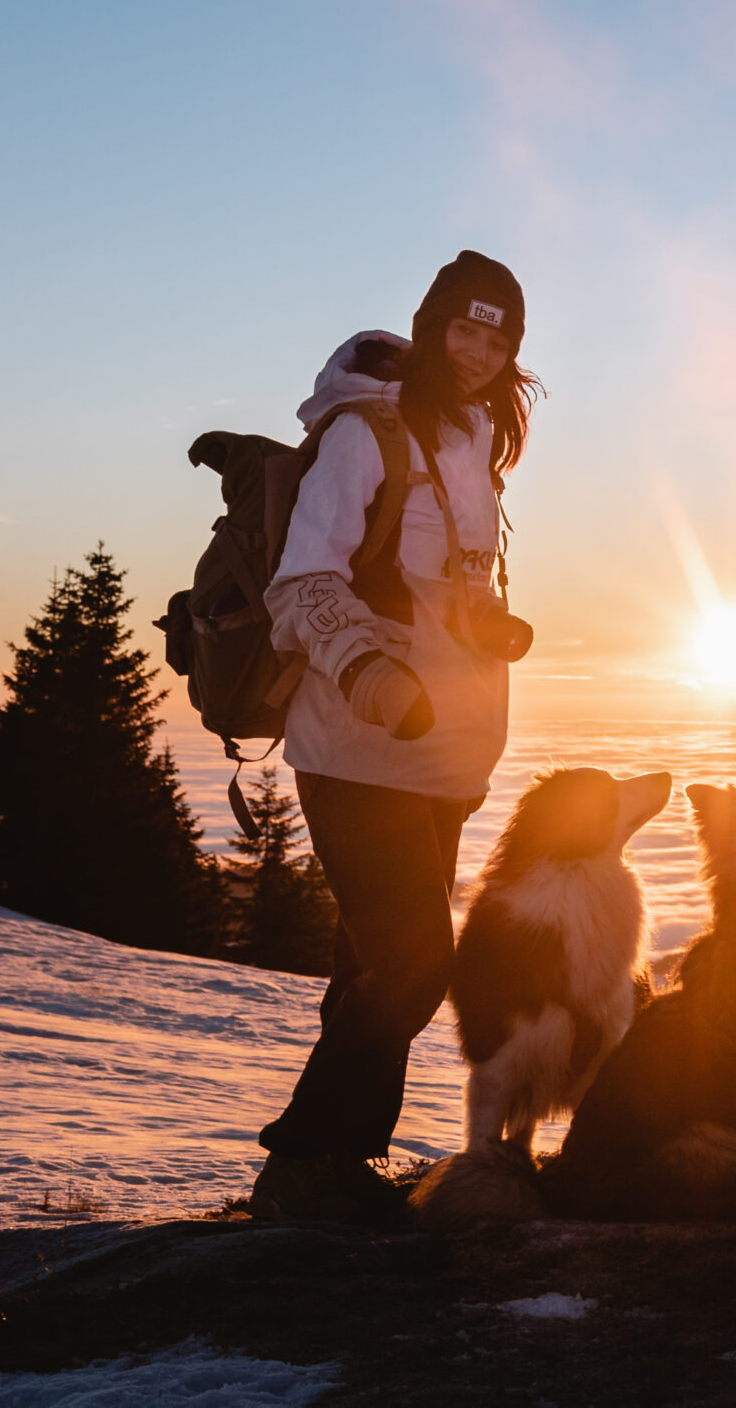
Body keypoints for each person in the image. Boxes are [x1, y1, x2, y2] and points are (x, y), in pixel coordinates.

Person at [250, 250, 541, 1224]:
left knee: (372, 964)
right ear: (430, 327)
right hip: (355, 743)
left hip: (443, 753)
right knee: (416, 958)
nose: (478, 350)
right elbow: (304, 582)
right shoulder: (364, 434)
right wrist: (372, 672)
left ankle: (332, 1168)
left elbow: (437, 584)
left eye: (498, 337)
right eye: (464, 327)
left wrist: (483, 625)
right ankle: (302, 1155)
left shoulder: (470, 440)